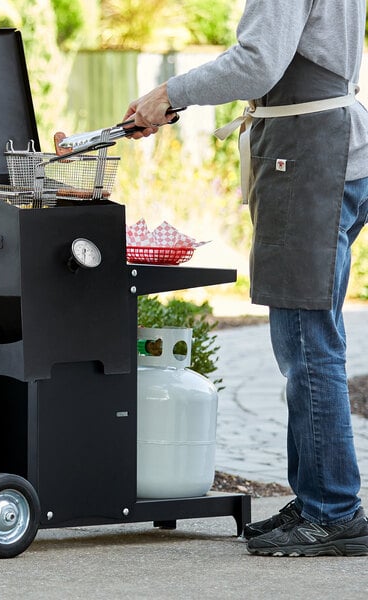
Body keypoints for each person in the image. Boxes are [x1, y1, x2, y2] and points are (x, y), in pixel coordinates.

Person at [124, 0, 368, 557]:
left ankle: (333, 511)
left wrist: (170, 93)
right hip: (331, 152)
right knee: (310, 339)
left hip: (310, 159)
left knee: (308, 344)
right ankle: (315, 501)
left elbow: (258, 62)